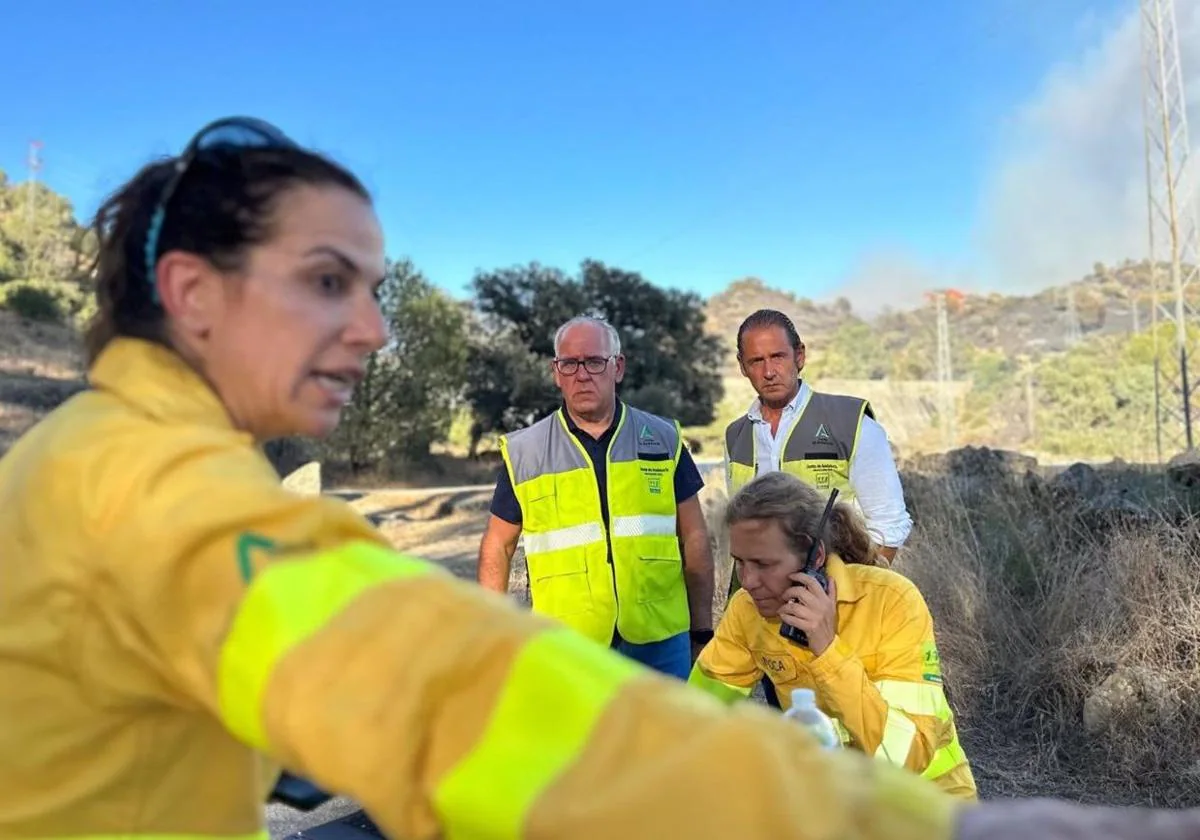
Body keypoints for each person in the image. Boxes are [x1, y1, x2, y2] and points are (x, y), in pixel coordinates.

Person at [3, 115, 1200, 840]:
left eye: (375, 285)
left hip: (665, 641)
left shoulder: (99, 457)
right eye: (328, 280)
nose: (373, 327)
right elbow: (444, 698)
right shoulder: (147, 488)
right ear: (195, 294)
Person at [689, 471, 976, 800]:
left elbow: (906, 757)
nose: (748, 581)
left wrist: (828, 652)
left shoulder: (892, 600)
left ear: (816, 557)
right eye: (740, 562)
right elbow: (698, 712)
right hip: (838, 801)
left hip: (927, 803)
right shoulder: (747, 609)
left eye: (763, 564)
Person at [476, 315, 716, 679]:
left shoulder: (664, 439)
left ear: (617, 367)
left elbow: (694, 535)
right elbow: (498, 545)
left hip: (660, 642)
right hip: (568, 647)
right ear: (556, 372)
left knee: (662, 738)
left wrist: (701, 628)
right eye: (569, 364)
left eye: (594, 361)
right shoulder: (525, 452)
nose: (582, 374)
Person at [724, 308, 912, 567]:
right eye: (756, 361)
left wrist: (854, 593)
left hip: (836, 598)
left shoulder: (851, 423)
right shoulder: (735, 436)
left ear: (799, 356)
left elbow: (890, 525)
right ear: (742, 366)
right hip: (762, 601)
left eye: (778, 356)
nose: (769, 371)